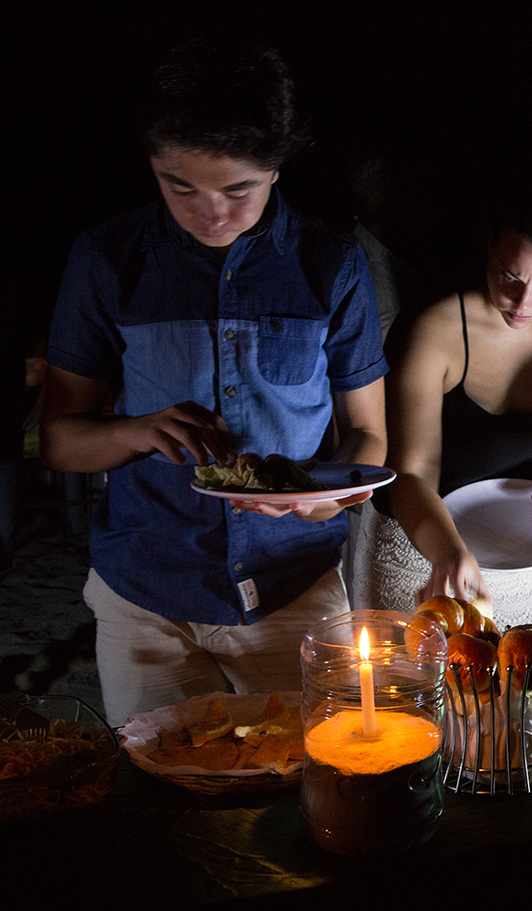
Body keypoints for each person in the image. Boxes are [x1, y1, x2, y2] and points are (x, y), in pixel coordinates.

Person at [40, 40, 387, 724]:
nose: (211, 214)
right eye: (180, 188)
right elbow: (59, 440)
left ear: (277, 167)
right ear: (151, 163)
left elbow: (368, 433)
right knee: (157, 779)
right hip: (146, 589)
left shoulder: (331, 265)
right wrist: (136, 432)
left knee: (314, 770)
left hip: (294, 583)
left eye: (238, 190)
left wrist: (325, 500)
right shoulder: (108, 259)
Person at [351, 191, 532, 645]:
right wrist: (448, 553)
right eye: (509, 277)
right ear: (489, 247)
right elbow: (410, 475)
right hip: (424, 552)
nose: (523, 303)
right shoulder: (435, 329)